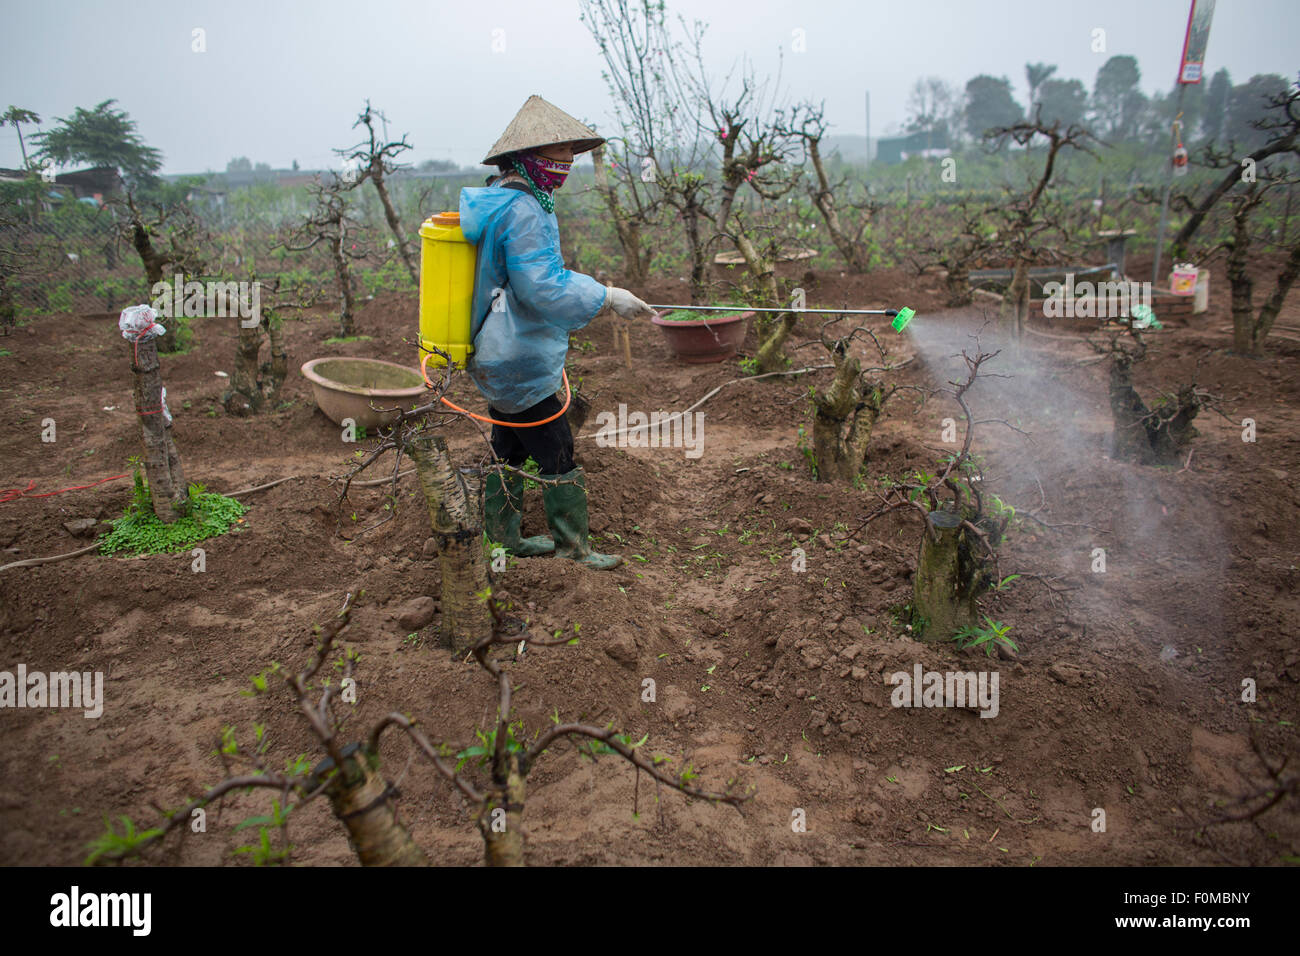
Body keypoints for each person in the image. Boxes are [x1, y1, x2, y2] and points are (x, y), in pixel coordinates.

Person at [459, 95, 654, 570]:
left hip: (496, 349)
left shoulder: (503, 198)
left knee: (508, 448)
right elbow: (543, 286)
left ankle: (503, 543)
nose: (566, 166)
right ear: (527, 158)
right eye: (558, 157)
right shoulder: (524, 210)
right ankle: (573, 548)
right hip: (520, 355)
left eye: (571, 156)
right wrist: (607, 296)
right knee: (557, 450)